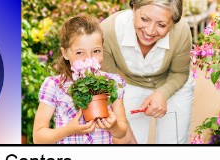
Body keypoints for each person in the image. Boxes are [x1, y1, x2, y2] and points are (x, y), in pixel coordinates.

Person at [101, 0, 194, 144]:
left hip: (173, 84)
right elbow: (109, 81)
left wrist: (162, 93)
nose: (150, 31)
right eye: (144, 19)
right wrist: (121, 122)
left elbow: (179, 73)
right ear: (134, 9)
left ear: (172, 23)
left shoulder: (181, 31)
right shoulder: (108, 31)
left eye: (161, 25)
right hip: (126, 85)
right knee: (129, 140)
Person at [33, 15, 135, 144]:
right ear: (65, 53)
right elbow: (38, 138)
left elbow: (122, 131)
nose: (89, 59)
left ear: (103, 49)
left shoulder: (113, 82)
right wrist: (69, 130)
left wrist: (113, 126)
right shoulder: (54, 85)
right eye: (80, 52)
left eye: (96, 51)